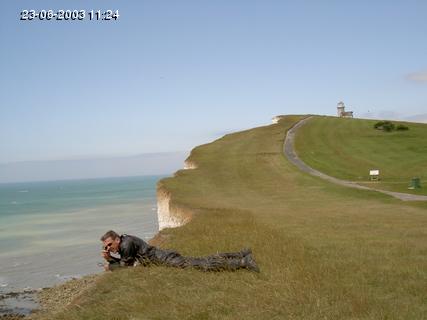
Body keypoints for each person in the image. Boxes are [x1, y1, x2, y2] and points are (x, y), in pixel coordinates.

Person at [100, 230, 260, 272]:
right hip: (163, 257)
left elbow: (125, 267)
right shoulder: (125, 240)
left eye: (109, 245)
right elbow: (125, 262)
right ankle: (241, 254)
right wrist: (111, 257)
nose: (108, 248)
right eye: (106, 247)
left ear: (116, 239)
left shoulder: (126, 245)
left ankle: (243, 261)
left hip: (164, 259)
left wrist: (109, 263)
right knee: (203, 260)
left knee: (203, 265)